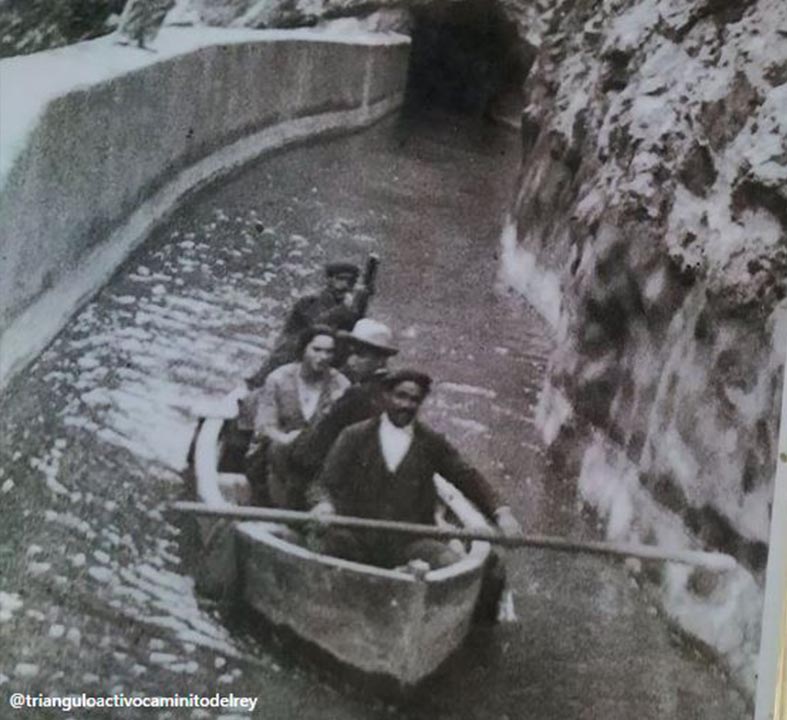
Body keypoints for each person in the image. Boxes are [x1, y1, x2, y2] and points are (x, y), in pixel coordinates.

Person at [311, 369, 522, 570]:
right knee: (329, 546)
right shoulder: (354, 436)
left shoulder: (430, 442)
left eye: (414, 400)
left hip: (410, 543)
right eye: (400, 396)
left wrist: (501, 512)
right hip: (356, 536)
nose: (406, 405)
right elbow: (323, 483)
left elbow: (465, 475)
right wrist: (323, 505)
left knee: (451, 563)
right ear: (386, 396)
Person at [245, 326, 349, 508]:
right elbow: (265, 425)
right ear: (304, 349)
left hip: (316, 457)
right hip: (277, 454)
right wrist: (285, 439)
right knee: (279, 452)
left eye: (329, 352)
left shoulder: (340, 383)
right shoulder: (278, 379)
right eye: (316, 350)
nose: (323, 357)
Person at [286, 318, 399, 483]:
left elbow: (308, 454)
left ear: (380, 360)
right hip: (373, 479)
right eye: (350, 352)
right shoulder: (394, 393)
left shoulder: (357, 395)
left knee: (280, 453)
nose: (350, 360)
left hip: (343, 482)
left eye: (360, 354)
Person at [246, 261, 374, 389]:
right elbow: (318, 326)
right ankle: (257, 386)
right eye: (341, 279)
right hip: (294, 353)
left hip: (329, 359)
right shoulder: (309, 303)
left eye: (351, 281)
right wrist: (345, 309)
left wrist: (361, 304)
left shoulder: (351, 310)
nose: (346, 285)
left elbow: (354, 332)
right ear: (329, 279)